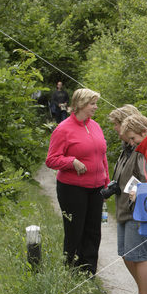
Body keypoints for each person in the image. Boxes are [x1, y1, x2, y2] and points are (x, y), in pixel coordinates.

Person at [45, 88, 108, 275]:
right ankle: (72, 273)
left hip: (96, 188)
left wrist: (106, 183)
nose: (95, 107)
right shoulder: (63, 129)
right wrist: (71, 161)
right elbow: (51, 159)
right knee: (75, 231)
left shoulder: (95, 126)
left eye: (96, 103)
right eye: (92, 104)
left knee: (93, 232)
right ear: (80, 104)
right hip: (72, 189)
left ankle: (89, 274)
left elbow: (102, 155)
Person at [108, 105, 147, 294]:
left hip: (138, 210)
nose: (116, 129)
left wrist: (136, 192)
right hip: (123, 208)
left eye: (117, 124)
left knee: (139, 255)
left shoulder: (141, 149)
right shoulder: (126, 149)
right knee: (126, 254)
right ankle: (142, 291)